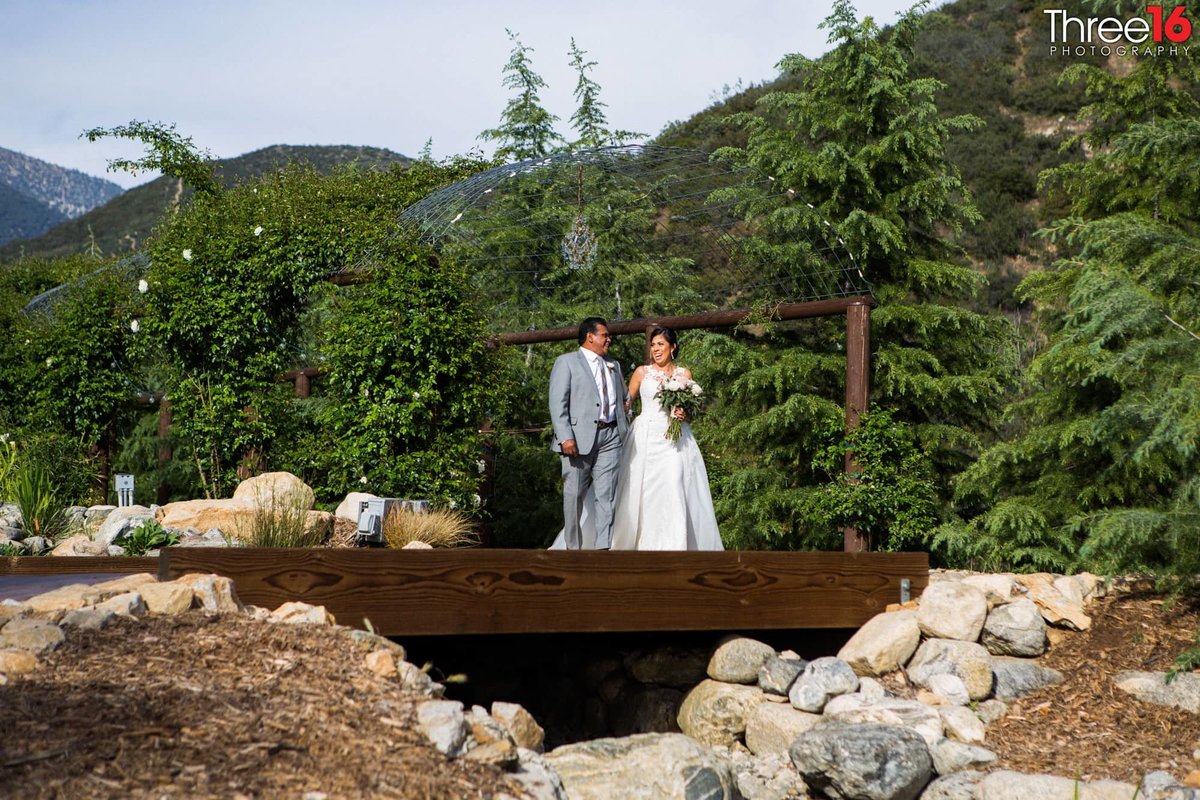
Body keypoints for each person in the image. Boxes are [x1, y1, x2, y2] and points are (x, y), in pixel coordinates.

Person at [609, 326, 723, 551]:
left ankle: (674, 545)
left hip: (675, 438)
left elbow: (690, 408)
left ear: (673, 347)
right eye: (653, 345)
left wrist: (684, 413)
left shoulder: (684, 374)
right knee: (642, 488)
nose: (655, 349)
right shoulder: (642, 372)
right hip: (646, 436)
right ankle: (639, 543)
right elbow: (626, 404)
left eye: (660, 344)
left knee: (673, 483)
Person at [548, 317, 630, 550]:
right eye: (604, 335)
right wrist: (566, 436)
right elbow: (557, 403)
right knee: (574, 495)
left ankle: (603, 549)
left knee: (607, 496)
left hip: (611, 437)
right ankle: (573, 550)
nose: (609, 339)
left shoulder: (614, 364)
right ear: (590, 337)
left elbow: (624, 397)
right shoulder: (566, 362)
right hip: (576, 439)